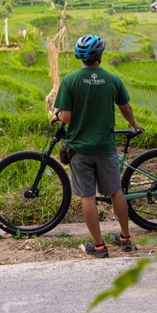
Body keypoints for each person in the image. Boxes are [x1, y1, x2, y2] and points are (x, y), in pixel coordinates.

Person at [51, 34, 144, 259]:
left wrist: (56, 115)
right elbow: (125, 108)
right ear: (100, 55)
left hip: (80, 150)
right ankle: (125, 238)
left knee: (87, 197)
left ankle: (99, 246)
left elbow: (66, 117)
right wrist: (134, 124)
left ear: (79, 56)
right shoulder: (112, 80)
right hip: (105, 148)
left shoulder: (70, 81)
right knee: (115, 192)